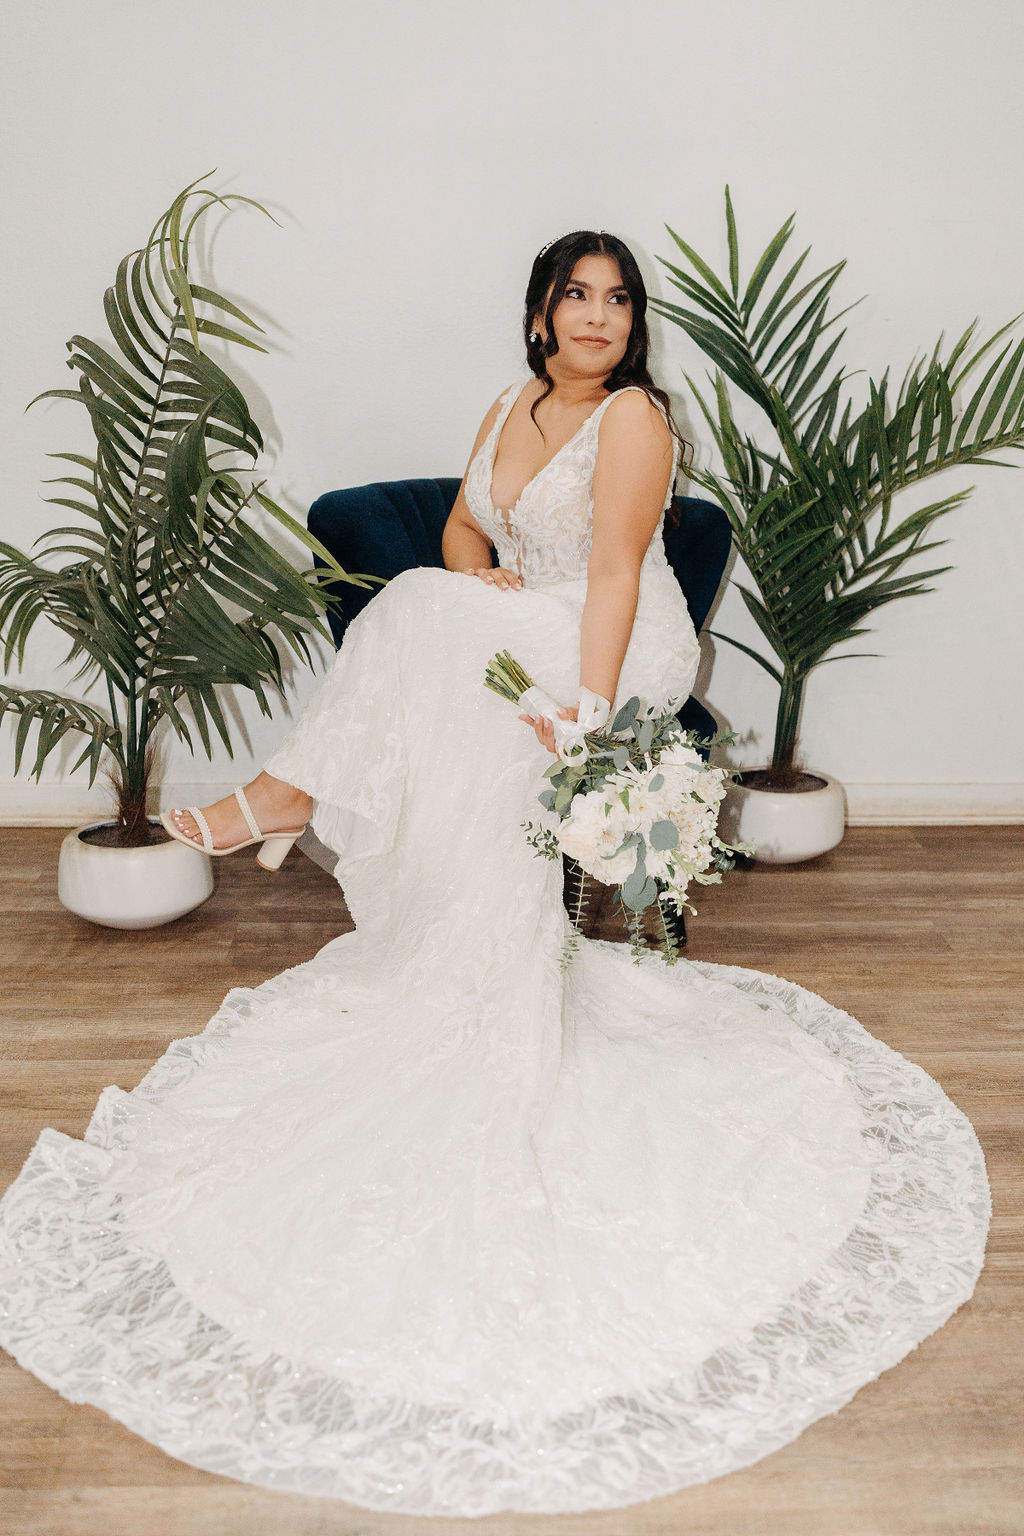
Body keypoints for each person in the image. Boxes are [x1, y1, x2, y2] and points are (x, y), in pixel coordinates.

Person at [0, 231, 991, 1520]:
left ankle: (281, 797)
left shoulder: (636, 421)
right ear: (539, 316)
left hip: (616, 646)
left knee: (420, 617)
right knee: (434, 606)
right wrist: (485, 581)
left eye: (617, 299)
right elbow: (468, 526)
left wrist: (582, 716)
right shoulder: (510, 405)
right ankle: (341, 835)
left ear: (633, 324)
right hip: (527, 616)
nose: (598, 315)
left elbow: (629, 576)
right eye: (576, 296)